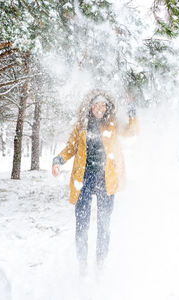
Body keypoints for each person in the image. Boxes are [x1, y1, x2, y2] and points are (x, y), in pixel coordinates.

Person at [52, 91, 139, 274]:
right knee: (81, 222)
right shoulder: (81, 126)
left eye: (103, 106)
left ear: (107, 108)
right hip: (84, 179)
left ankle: (100, 262)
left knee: (104, 223)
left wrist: (132, 111)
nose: (100, 109)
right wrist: (58, 160)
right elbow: (70, 147)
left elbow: (132, 132)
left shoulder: (112, 125)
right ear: (90, 107)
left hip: (106, 179)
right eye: (97, 105)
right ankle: (82, 263)